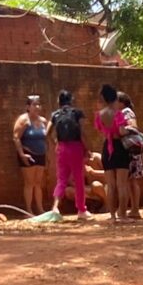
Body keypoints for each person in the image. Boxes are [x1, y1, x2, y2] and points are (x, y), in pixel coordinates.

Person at [48, 90, 92, 220]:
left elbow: (46, 133)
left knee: (61, 179)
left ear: (59, 102)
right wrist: (88, 149)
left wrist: (55, 143)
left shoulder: (55, 114)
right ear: (71, 100)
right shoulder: (77, 113)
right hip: (75, 147)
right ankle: (81, 210)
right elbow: (82, 132)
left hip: (62, 148)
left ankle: (55, 207)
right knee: (78, 179)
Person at [94, 83, 132, 223]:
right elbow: (121, 132)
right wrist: (129, 131)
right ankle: (123, 215)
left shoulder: (99, 115)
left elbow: (100, 131)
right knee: (122, 184)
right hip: (120, 147)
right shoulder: (118, 114)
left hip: (107, 148)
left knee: (110, 185)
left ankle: (112, 216)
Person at [13, 95, 48, 214]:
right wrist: (22, 154)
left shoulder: (43, 121)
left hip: (41, 155)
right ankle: (28, 210)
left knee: (38, 183)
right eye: (34, 104)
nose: (37, 107)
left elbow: (47, 138)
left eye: (39, 104)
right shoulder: (23, 120)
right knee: (29, 183)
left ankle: (40, 208)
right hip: (28, 154)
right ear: (28, 107)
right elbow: (16, 138)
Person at [117, 91, 143, 220]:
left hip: (132, 150)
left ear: (121, 102)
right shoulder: (124, 112)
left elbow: (134, 126)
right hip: (131, 149)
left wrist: (122, 129)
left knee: (132, 180)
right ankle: (134, 209)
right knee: (130, 180)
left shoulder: (126, 112)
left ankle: (135, 209)